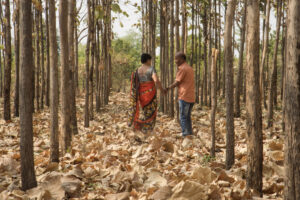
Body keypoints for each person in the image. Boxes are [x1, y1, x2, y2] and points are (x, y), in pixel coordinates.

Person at [128, 53, 166, 133]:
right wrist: (162, 90)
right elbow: (156, 80)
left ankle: (141, 129)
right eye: (150, 60)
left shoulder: (137, 71)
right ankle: (147, 130)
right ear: (148, 60)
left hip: (141, 96)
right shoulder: (151, 69)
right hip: (150, 95)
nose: (151, 62)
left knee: (145, 112)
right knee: (151, 113)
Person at [166, 52, 195, 136]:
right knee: (187, 117)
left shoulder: (182, 68)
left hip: (184, 96)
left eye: (177, 58)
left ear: (182, 59)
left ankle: (185, 134)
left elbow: (177, 82)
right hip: (191, 96)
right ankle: (190, 134)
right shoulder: (189, 68)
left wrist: (168, 88)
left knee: (183, 117)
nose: (175, 61)